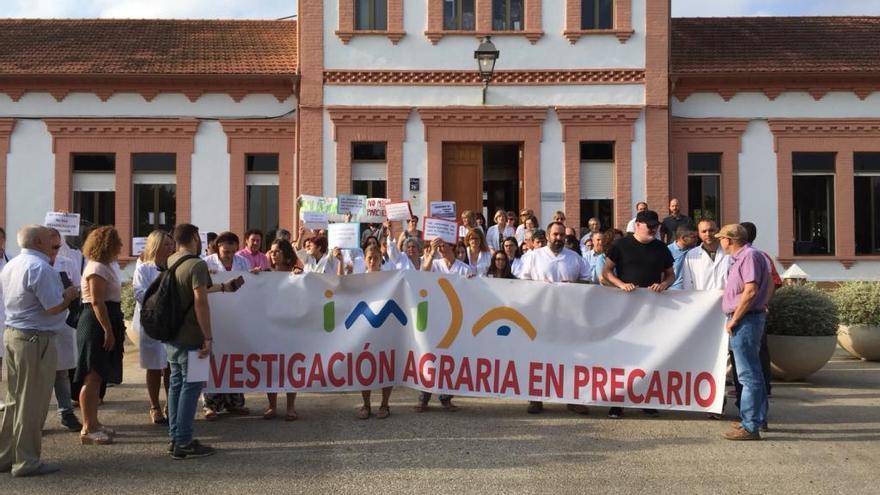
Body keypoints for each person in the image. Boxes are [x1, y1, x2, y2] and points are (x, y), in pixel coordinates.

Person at [0, 225, 79, 477]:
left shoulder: (13, 264)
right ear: (38, 242)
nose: (56, 245)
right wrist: (68, 296)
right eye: (52, 242)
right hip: (35, 340)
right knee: (31, 404)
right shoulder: (40, 267)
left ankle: (6, 456)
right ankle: (26, 461)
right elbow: (53, 307)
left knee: (15, 401)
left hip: (16, 335)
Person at [166, 224, 242, 459]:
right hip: (192, 335)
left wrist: (221, 287)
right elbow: (199, 300)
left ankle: (175, 438)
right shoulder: (197, 264)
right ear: (193, 239)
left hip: (173, 334)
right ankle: (185, 442)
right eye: (198, 239)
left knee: (176, 384)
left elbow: (196, 289)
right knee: (191, 386)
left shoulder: (172, 261)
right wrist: (207, 337)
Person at [603, 210, 674, 419]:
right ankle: (617, 402)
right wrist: (621, 284)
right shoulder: (621, 245)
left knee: (649, 356)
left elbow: (671, 274)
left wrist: (663, 284)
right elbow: (606, 272)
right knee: (622, 356)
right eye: (649, 225)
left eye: (656, 225)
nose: (653, 229)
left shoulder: (661, 248)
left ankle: (646, 399)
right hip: (624, 311)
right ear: (637, 225)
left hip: (652, 312)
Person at [518, 222, 590, 415]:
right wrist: (539, 287)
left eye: (561, 236)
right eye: (555, 235)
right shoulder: (533, 256)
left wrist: (573, 285)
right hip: (540, 316)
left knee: (570, 357)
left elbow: (588, 281)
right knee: (538, 357)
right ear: (548, 235)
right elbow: (521, 282)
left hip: (569, 318)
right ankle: (535, 398)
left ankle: (572, 398)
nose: (558, 239)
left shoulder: (574, 258)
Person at [716, 224, 772, 441]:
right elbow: (764, 288)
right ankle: (756, 419)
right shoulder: (746, 257)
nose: (720, 241)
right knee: (753, 372)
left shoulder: (748, 256)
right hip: (749, 317)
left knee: (748, 375)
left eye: (722, 238)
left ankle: (750, 425)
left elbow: (751, 290)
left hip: (746, 320)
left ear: (729, 240)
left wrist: (736, 318)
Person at [73, 226, 128, 446]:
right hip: (96, 322)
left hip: (106, 318)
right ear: (108, 244)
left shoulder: (105, 266)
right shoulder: (96, 268)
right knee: (92, 374)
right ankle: (88, 427)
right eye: (117, 242)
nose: (121, 246)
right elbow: (97, 301)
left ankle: (94, 422)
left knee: (98, 375)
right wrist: (107, 329)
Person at [416, 238, 473, 412]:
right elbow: (423, 274)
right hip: (434, 314)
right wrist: (430, 254)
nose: (440, 248)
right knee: (429, 355)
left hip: (455, 317)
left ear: (452, 246)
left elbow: (472, 290)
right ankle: (423, 398)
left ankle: (446, 397)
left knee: (451, 357)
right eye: (438, 245)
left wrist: (472, 281)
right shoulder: (434, 263)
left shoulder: (464, 268)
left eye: (443, 245)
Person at [132, 230, 174, 425]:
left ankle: (171, 404)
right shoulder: (144, 269)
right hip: (152, 323)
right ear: (156, 246)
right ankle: (155, 406)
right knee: (154, 367)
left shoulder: (174, 267)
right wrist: (161, 304)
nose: (170, 248)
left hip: (171, 323)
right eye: (166, 244)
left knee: (170, 366)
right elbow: (139, 293)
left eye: (171, 244)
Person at [46, 228, 82, 432]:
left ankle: (66, 412)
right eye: (52, 246)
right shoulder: (36, 265)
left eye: (58, 246)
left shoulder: (67, 263)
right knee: (40, 376)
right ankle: (37, 417)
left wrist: (70, 293)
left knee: (62, 372)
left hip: (63, 324)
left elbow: (77, 288)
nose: (56, 251)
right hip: (41, 325)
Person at [264, 239, 300, 420]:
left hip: (290, 327)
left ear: (286, 254)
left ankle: (291, 407)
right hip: (270, 327)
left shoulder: (296, 274)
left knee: (290, 366)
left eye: (277, 251)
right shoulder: (264, 275)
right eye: (271, 251)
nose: (273, 254)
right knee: (271, 366)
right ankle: (272, 406)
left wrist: (299, 276)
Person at [681, 219, 730, 291]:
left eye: (711, 230)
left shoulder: (729, 253)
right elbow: (687, 283)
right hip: (702, 300)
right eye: (704, 231)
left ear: (718, 230)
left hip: (726, 299)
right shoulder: (691, 255)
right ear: (698, 233)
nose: (708, 234)